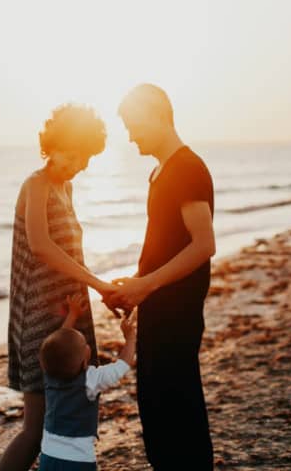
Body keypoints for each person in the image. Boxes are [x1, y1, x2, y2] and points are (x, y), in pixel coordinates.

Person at [0, 104, 118, 471]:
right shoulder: (36, 185)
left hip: (70, 314)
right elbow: (41, 245)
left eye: (85, 158)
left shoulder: (64, 186)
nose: (79, 164)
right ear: (53, 146)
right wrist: (97, 283)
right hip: (38, 319)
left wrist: (98, 292)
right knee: (35, 430)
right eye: (73, 155)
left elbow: (68, 252)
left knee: (67, 419)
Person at [107, 83, 216, 470]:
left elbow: (203, 245)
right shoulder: (159, 172)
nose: (131, 135)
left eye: (133, 125)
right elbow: (163, 244)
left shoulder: (187, 168)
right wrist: (134, 286)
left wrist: (146, 285)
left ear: (156, 115)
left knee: (178, 414)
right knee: (156, 415)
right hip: (157, 308)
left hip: (178, 313)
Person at [38, 294, 136, 470]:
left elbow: (61, 342)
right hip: (78, 460)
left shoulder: (49, 375)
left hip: (48, 455)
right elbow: (121, 366)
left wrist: (72, 315)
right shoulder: (90, 380)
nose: (87, 345)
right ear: (84, 361)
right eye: (85, 345)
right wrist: (130, 339)